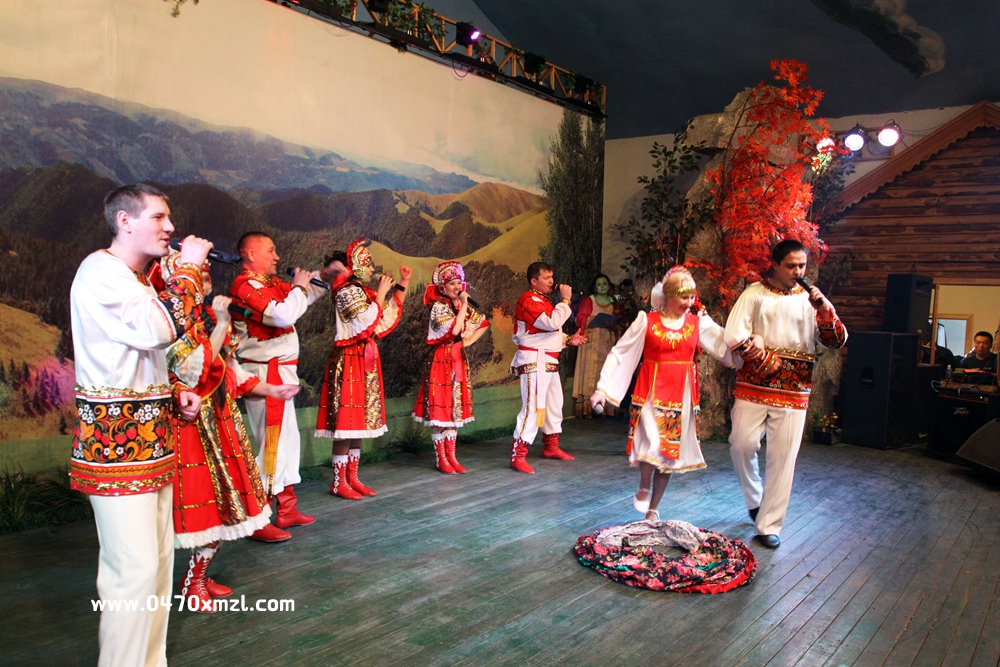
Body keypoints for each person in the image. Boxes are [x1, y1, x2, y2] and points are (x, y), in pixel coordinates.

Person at [69, 184, 211, 666]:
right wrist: (188, 269)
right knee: (131, 572)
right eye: (158, 217)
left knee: (156, 565)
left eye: (168, 218)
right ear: (124, 221)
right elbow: (158, 329)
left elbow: (132, 357)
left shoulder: (134, 279)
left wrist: (174, 391)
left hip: (150, 443)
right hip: (116, 447)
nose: (170, 227)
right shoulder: (100, 271)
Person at [153, 251, 301, 613]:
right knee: (205, 509)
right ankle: (191, 584)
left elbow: (229, 371)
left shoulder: (203, 319)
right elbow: (194, 373)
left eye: (204, 272)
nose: (204, 279)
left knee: (227, 504)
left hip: (220, 422)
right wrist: (220, 325)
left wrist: (270, 389)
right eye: (197, 272)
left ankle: (198, 578)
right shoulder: (172, 327)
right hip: (191, 427)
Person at [724, 239, 847, 549]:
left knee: (783, 457)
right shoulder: (755, 293)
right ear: (776, 265)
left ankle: (769, 524)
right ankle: (755, 499)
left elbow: (836, 341)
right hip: (754, 383)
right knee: (741, 443)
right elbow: (733, 334)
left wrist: (825, 312)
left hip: (795, 388)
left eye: (801, 266)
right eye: (791, 266)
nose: (797, 272)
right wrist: (762, 356)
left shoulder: (811, 300)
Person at [590, 267, 737, 521]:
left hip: (680, 396)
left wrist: (749, 349)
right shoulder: (646, 321)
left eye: (691, 297)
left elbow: (724, 344)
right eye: (683, 297)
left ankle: (653, 508)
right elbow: (621, 352)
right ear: (668, 295)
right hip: (650, 391)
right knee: (652, 442)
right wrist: (603, 388)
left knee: (669, 453)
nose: (689, 303)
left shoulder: (697, 323)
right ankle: (644, 484)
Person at [229, 232, 327, 541]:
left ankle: (286, 508)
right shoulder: (245, 287)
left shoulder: (269, 284)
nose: (277, 257)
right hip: (265, 374)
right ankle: (257, 519)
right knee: (270, 447)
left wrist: (324, 276)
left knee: (286, 443)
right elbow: (283, 314)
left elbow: (302, 299)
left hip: (281, 373)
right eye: (271, 251)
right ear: (251, 254)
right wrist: (298, 287)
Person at [315, 239, 411, 498]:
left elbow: (383, 319)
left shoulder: (363, 293)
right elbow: (365, 322)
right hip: (348, 359)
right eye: (366, 264)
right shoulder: (345, 291)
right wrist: (381, 292)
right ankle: (339, 482)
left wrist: (402, 283)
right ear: (353, 266)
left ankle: (352, 477)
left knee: (358, 422)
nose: (371, 269)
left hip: (364, 359)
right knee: (346, 423)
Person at [412, 261, 490, 473]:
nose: (457, 287)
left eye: (459, 283)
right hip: (441, 359)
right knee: (441, 409)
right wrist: (464, 305)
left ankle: (452, 456)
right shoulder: (439, 307)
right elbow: (454, 329)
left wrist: (468, 342)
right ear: (442, 287)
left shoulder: (458, 305)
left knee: (454, 409)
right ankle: (441, 458)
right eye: (452, 284)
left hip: (457, 357)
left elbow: (483, 323)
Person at [509, 262, 588, 473]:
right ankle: (518, 454)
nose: (552, 281)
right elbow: (551, 323)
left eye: (552, 277)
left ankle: (551, 446)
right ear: (534, 281)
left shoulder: (543, 301)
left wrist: (569, 339)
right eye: (546, 277)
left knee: (554, 403)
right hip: (534, 361)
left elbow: (548, 334)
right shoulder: (528, 300)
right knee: (533, 406)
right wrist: (566, 300)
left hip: (549, 360)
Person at [572, 274, 623, 417]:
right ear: (594, 288)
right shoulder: (589, 301)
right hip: (591, 341)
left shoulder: (614, 302)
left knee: (607, 370)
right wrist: (592, 319)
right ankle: (588, 408)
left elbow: (620, 321)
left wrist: (613, 324)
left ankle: (607, 407)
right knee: (590, 372)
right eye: (599, 284)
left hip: (608, 340)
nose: (602, 287)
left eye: (605, 284)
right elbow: (579, 319)